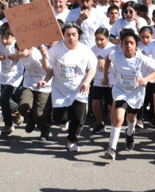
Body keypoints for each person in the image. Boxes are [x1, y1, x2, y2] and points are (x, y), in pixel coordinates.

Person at [102, 29, 155, 160]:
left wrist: (146, 79)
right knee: (118, 116)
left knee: (132, 118)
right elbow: (107, 59)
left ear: (136, 45)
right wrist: (106, 76)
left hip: (136, 93)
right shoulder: (116, 55)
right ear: (121, 44)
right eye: (126, 43)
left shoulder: (141, 58)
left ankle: (129, 133)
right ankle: (112, 148)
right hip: (120, 90)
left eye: (131, 43)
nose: (128, 46)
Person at [44, 22, 97, 151]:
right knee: (59, 118)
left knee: (78, 119)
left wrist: (87, 82)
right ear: (64, 36)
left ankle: (72, 140)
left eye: (74, 34)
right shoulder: (56, 50)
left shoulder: (85, 51)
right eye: (68, 35)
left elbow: (92, 69)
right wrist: (45, 79)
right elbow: (49, 68)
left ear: (78, 35)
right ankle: (63, 121)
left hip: (79, 89)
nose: (71, 37)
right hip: (60, 89)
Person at [0, 23, 24, 136]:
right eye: (2, 37)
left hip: (16, 76)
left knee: (3, 99)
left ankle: (8, 125)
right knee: (4, 101)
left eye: (7, 37)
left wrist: (18, 55)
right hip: (4, 75)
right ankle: (20, 111)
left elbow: (28, 52)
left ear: (13, 36)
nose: (3, 40)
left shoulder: (19, 43)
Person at [17, 42, 51, 138]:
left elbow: (49, 70)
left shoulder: (36, 55)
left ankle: (44, 130)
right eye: (18, 50)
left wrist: (44, 56)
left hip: (44, 85)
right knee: (23, 107)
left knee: (39, 113)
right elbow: (13, 56)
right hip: (29, 83)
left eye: (22, 50)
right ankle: (30, 119)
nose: (19, 53)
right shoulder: (20, 54)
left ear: (30, 48)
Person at [90, 27, 114, 134]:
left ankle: (114, 126)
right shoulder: (92, 50)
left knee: (110, 106)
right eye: (97, 39)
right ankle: (100, 124)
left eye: (102, 39)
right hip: (98, 80)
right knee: (95, 103)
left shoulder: (113, 49)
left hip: (111, 81)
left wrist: (104, 61)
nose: (99, 42)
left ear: (108, 39)